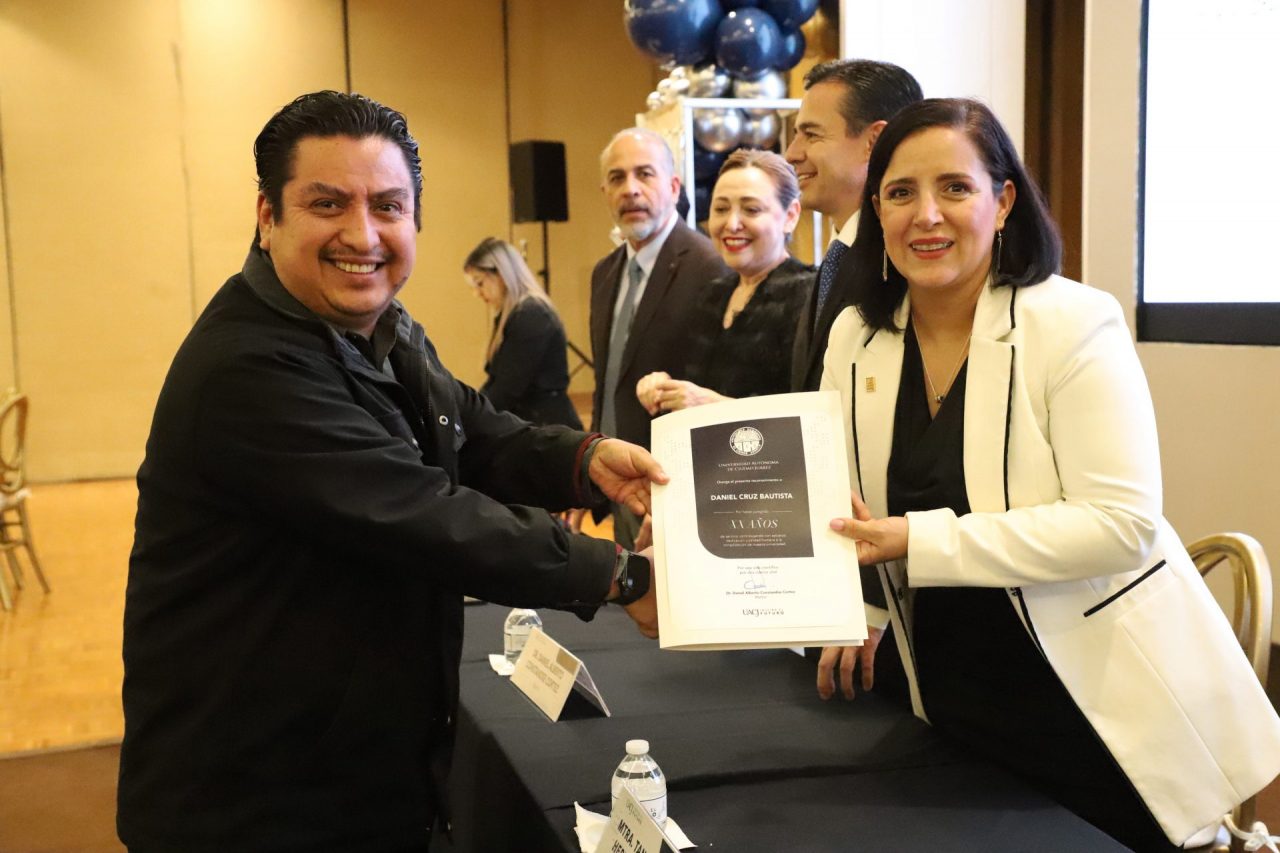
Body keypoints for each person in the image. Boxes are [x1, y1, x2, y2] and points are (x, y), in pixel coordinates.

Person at [118, 91, 664, 853]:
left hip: (352, 767)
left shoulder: (379, 326)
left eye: (387, 205)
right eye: (328, 204)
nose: (363, 234)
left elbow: (473, 431)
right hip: (255, 796)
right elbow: (423, 513)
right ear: (268, 216)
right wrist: (620, 574)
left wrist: (585, 462)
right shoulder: (246, 365)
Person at [821, 97, 1280, 850]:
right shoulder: (858, 336)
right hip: (942, 691)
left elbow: (1122, 526)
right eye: (901, 192)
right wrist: (857, 608)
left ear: (1002, 202)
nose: (926, 215)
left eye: (955, 188)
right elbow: (851, 501)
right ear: (877, 211)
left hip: (1094, 706)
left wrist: (919, 541)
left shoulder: (1071, 321)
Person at [783, 58, 923, 702]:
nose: (792, 153)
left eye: (810, 134)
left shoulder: (905, 268)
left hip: (897, 601)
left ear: (874, 140)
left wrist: (869, 599)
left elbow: (906, 450)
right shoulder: (840, 255)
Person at [589, 127, 728, 548]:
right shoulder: (604, 273)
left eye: (644, 174)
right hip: (619, 480)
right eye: (617, 178)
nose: (630, 189)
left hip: (680, 487)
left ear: (673, 186)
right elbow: (607, 381)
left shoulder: (710, 268)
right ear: (604, 192)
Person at [635, 148, 813, 414]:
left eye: (751, 209)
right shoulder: (712, 294)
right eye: (721, 209)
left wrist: (713, 405)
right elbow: (695, 387)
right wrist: (663, 386)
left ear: (790, 216)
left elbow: (811, 414)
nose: (731, 224)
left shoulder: (810, 295)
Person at [463, 237, 582, 428]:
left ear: (501, 274)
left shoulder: (531, 314)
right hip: (534, 424)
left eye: (480, 283)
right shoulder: (513, 313)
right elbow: (497, 383)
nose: (477, 293)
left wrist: (468, 418)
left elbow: (508, 389)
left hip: (548, 428)